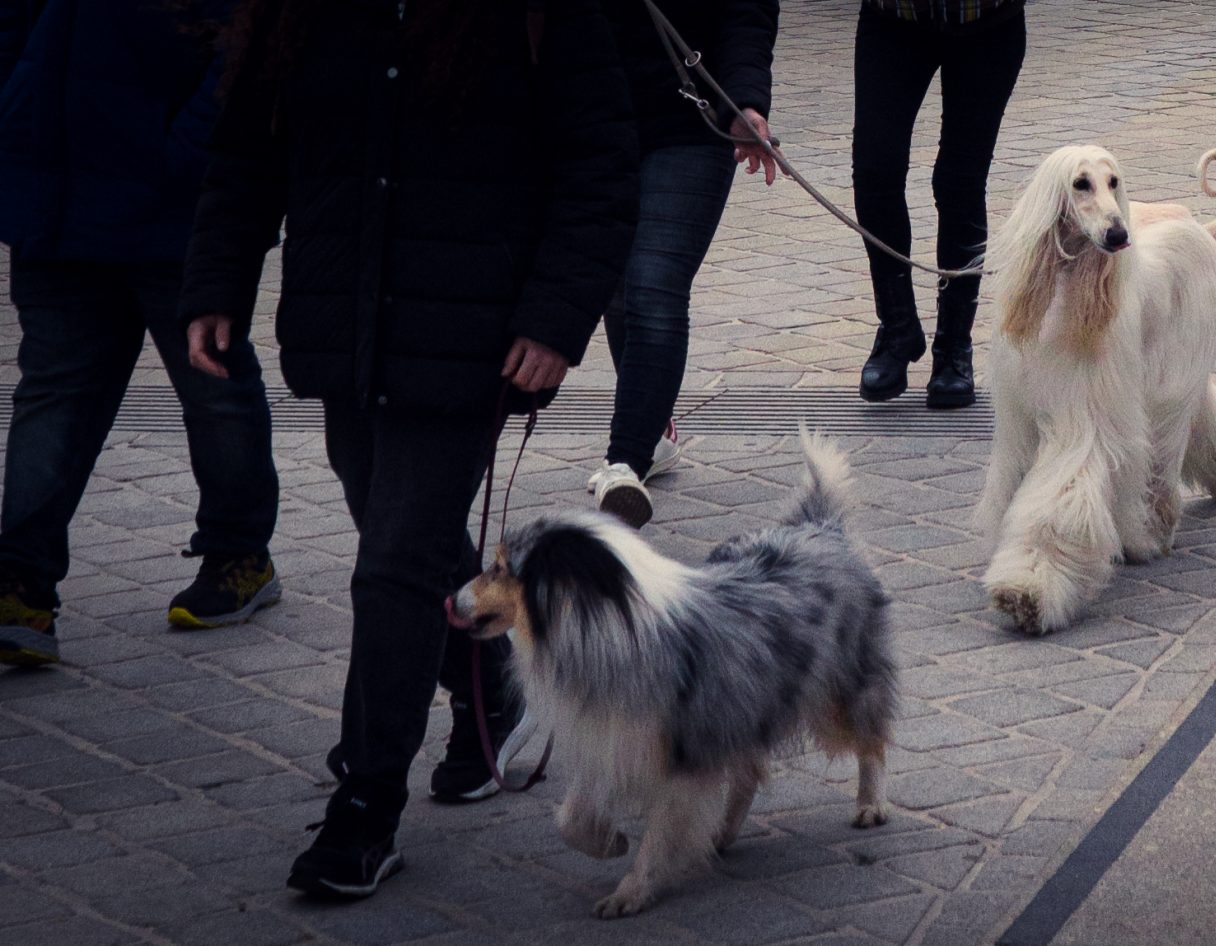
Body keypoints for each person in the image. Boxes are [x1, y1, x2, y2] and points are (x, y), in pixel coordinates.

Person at [183, 0, 635, 897]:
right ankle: (492, 677)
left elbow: (600, 165)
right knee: (407, 539)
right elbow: (248, 149)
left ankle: (365, 806)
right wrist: (218, 278)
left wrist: (554, 317)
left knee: (391, 562)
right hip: (346, 326)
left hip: (472, 335)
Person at [0, 0, 283, 668]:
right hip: (56, 193)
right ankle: (20, 583)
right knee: (53, 394)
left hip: (171, 201)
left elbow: (247, 39)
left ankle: (238, 554)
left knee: (214, 384)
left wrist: (186, 152)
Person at [586, 0, 780, 528]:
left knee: (654, 285)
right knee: (617, 287)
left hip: (691, 120)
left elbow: (746, 11)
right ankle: (651, 428)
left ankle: (624, 464)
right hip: (590, 119)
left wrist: (745, 101)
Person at [852, 0, 1026, 410]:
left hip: (987, 21)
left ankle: (953, 346)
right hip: (893, 19)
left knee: (960, 182)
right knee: (875, 171)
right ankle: (897, 328)